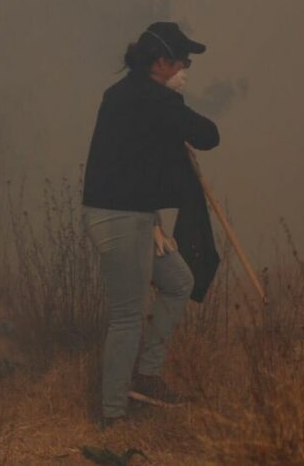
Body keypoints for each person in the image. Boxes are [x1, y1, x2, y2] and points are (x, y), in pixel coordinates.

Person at [81, 21, 220, 429]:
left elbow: (137, 161)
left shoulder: (124, 95)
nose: (186, 68)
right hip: (119, 218)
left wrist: (154, 219)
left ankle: (147, 377)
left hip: (135, 216)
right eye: (183, 61)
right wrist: (175, 105)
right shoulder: (153, 99)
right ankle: (113, 414)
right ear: (160, 62)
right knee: (127, 315)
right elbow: (208, 135)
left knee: (178, 282)